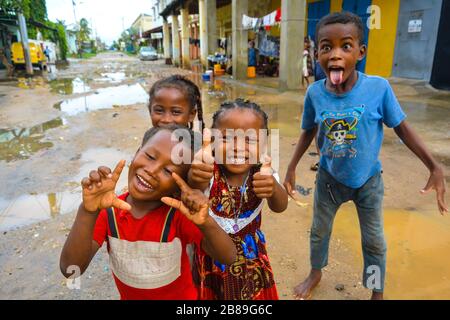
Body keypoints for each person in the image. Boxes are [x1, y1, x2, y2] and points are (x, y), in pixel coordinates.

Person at [284, 12, 448, 300]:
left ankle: (376, 290)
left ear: (360, 52)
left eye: (345, 46)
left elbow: (402, 129)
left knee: (374, 241)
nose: (335, 55)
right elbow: (308, 131)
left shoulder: (378, 88)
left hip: (368, 182)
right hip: (329, 180)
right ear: (317, 52)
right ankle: (315, 272)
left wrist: (434, 165)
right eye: (326, 47)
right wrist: (292, 167)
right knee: (319, 232)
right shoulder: (314, 93)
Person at [60, 125, 237, 300]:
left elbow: (228, 257)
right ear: (137, 152)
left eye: (168, 171)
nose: (151, 170)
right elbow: (71, 269)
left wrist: (206, 222)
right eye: (150, 156)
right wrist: (87, 211)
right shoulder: (109, 212)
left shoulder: (178, 216)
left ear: (179, 185)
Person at [188, 98, 288, 300]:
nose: (237, 147)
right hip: (212, 255)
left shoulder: (263, 173)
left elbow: (280, 206)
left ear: (264, 144)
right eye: (226, 138)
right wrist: (195, 175)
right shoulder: (208, 171)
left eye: (250, 140)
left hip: (251, 259)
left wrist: (274, 189)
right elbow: (194, 187)